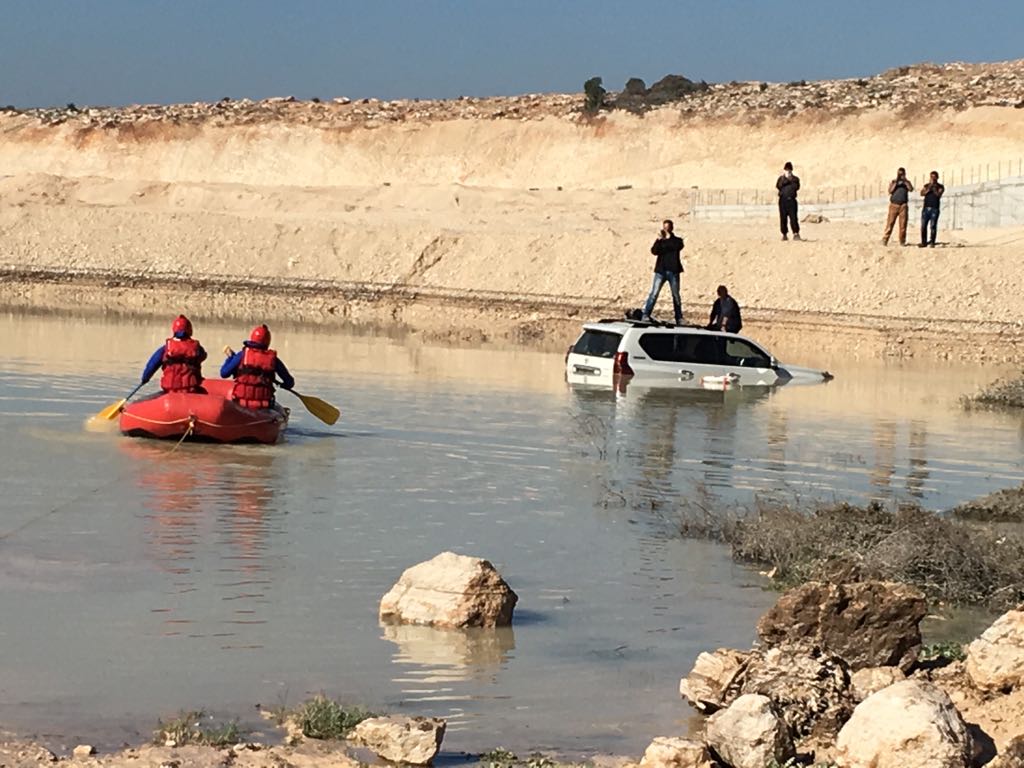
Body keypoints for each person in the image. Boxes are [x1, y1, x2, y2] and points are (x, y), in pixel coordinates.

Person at [221, 324, 294, 410]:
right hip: (264, 405)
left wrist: (230, 358)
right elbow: (290, 382)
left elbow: (224, 373)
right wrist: (283, 385)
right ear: (268, 341)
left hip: (241, 403)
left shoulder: (242, 355)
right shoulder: (273, 359)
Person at [141, 314, 207, 393]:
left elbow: (152, 365)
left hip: (170, 390)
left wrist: (145, 379)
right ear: (190, 330)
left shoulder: (165, 348)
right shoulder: (197, 348)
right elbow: (204, 356)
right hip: (191, 390)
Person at [641, 219, 685, 325]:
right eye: (664, 228)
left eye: (668, 228)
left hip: (673, 271)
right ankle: (646, 314)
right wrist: (659, 240)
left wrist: (668, 238)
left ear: (671, 228)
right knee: (654, 293)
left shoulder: (677, 240)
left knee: (676, 295)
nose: (666, 230)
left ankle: (679, 317)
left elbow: (677, 246)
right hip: (661, 271)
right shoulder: (661, 241)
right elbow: (654, 251)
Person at [882, 167, 914, 246]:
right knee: (890, 223)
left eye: (902, 174)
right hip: (894, 205)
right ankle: (885, 239)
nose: (901, 175)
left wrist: (905, 181)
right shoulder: (894, 182)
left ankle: (902, 241)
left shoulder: (906, 183)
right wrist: (896, 183)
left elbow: (911, 189)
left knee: (903, 225)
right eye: (899, 174)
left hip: (903, 205)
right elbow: (890, 191)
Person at [775, 162, 801, 241]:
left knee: (793, 218)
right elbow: (778, 186)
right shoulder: (781, 179)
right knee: (783, 218)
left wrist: (790, 179)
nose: (788, 172)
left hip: (792, 201)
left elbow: (796, 187)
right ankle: (784, 234)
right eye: (786, 170)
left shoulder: (795, 179)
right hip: (783, 201)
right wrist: (785, 179)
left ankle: (796, 233)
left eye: (789, 170)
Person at [919, 170, 945, 247]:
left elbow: (938, 195)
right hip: (926, 208)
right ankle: (924, 242)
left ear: (937, 178)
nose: (933, 179)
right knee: (923, 226)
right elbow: (922, 193)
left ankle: (932, 242)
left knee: (933, 225)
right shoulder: (927, 185)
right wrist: (929, 188)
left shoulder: (940, 187)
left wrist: (934, 189)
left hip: (935, 208)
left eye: (934, 177)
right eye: (931, 177)